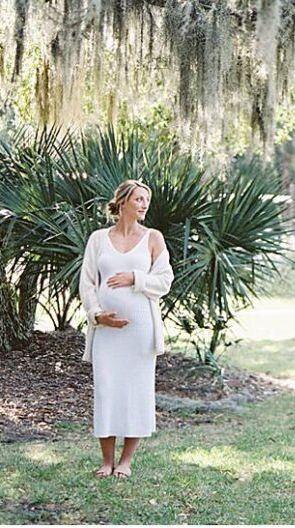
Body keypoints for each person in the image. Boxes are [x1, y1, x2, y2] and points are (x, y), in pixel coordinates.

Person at [79, 178, 173, 479]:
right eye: (139, 199)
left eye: (147, 200)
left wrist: (135, 277)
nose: (144, 204)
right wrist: (97, 315)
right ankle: (106, 461)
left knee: (136, 392)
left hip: (140, 331)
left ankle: (127, 461)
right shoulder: (98, 239)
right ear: (122, 202)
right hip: (107, 331)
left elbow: (165, 281)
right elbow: (87, 282)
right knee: (107, 390)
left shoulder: (153, 238)